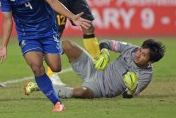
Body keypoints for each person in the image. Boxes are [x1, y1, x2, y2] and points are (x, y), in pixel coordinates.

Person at [0, 0, 91, 112]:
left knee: (56, 67)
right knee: (37, 67)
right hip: (27, 34)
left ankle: (44, 58)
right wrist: (3, 45)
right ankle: (57, 103)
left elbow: (52, 2)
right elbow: (7, 20)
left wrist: (73, 17)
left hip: (47, 30)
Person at [24, 38, 166, 99]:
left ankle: (40, 87)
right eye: (141, 50)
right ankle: (39, 56)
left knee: (80, 92)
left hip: (101, 89)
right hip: (96, 69)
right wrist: (104, 52)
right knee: (67, 45)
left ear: (151, 61)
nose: (138, 54)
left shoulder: (146, 75)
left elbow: (127, 96)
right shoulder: (131, 49)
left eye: (144, 55)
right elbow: (106, 43)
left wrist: (130, 90)